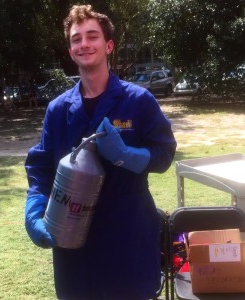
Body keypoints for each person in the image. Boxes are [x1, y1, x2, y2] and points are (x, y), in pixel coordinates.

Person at [24, 4, 176, 300]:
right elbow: (41, 168)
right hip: (73, 241)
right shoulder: (57, 110)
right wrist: (33, 213)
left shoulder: (138, 100)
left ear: (108, 46)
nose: (84, 44)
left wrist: (126, 155)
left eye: (92, 36)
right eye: (76, 39)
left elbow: (164, 154)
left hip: (126, 235)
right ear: (70, 51)